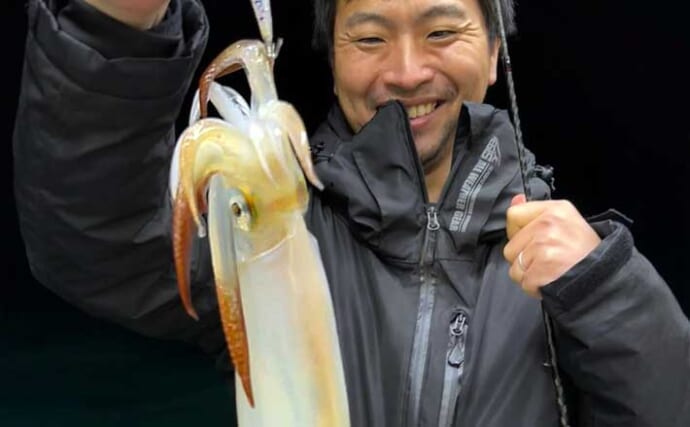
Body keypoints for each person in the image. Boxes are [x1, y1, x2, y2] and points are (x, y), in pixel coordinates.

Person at [12, 0, 690, 426]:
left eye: (441, 30)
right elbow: (96, 238)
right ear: (332, 61)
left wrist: (605, 290)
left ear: (493, 51)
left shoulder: (575, 265)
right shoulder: (273, 238)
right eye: (368, 39)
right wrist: (116, 22)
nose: (406, 71)